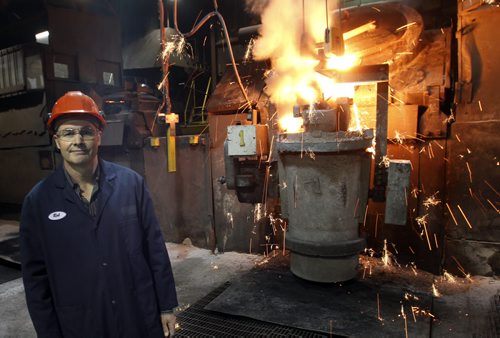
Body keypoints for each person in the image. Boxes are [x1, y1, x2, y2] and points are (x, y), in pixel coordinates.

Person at [20, 91, 178, 338]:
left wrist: (166, 305)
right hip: (81, 323)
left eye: (86, 131)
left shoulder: (131, 185)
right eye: (68, 133)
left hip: (137, 314)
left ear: (99, 136)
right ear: (56, 141)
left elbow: (155, 248)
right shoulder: (38, 202)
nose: (78, 140)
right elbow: (35, 280)